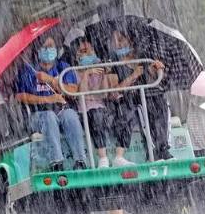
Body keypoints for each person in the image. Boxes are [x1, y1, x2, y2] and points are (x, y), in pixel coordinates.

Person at [15, 33, 87, 171]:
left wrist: (51, 80)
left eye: (51, 46)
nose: (48, 50)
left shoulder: (63, 67)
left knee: (70, 115)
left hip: (60, 110)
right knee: (49, 116)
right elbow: (20, 96)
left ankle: (80, 161)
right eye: (45, 47)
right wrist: (47, 99)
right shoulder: (29, 70)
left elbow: (73, 90)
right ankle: (56, 163)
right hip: (38, 115)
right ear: (38, 50)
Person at [108, 29, 175, 161]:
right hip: (128, 101)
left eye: (121, 40)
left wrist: (160, 69)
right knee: (143, 106)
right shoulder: (112, 65)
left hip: (148, 97)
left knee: (159, 101)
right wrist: (134, 75)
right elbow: (114, 92)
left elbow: (159, 79)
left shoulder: (143, 60)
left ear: (130, 41)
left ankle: (163, 148)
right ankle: (152, 151)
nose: (118, 44)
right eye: (114, 41)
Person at [71, 37, 134, 167]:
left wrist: (104, 73)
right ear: (77, 56)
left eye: (91, 50)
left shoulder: (99, 70)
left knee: (126, 111)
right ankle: (103, 158)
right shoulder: (74, 72)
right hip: (86, 111)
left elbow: (104, 93)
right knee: (96, 115)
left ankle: (119, 156)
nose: (89, 53)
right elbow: (81, 94)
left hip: (103, 108)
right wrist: (87, 73)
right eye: (84, 51)